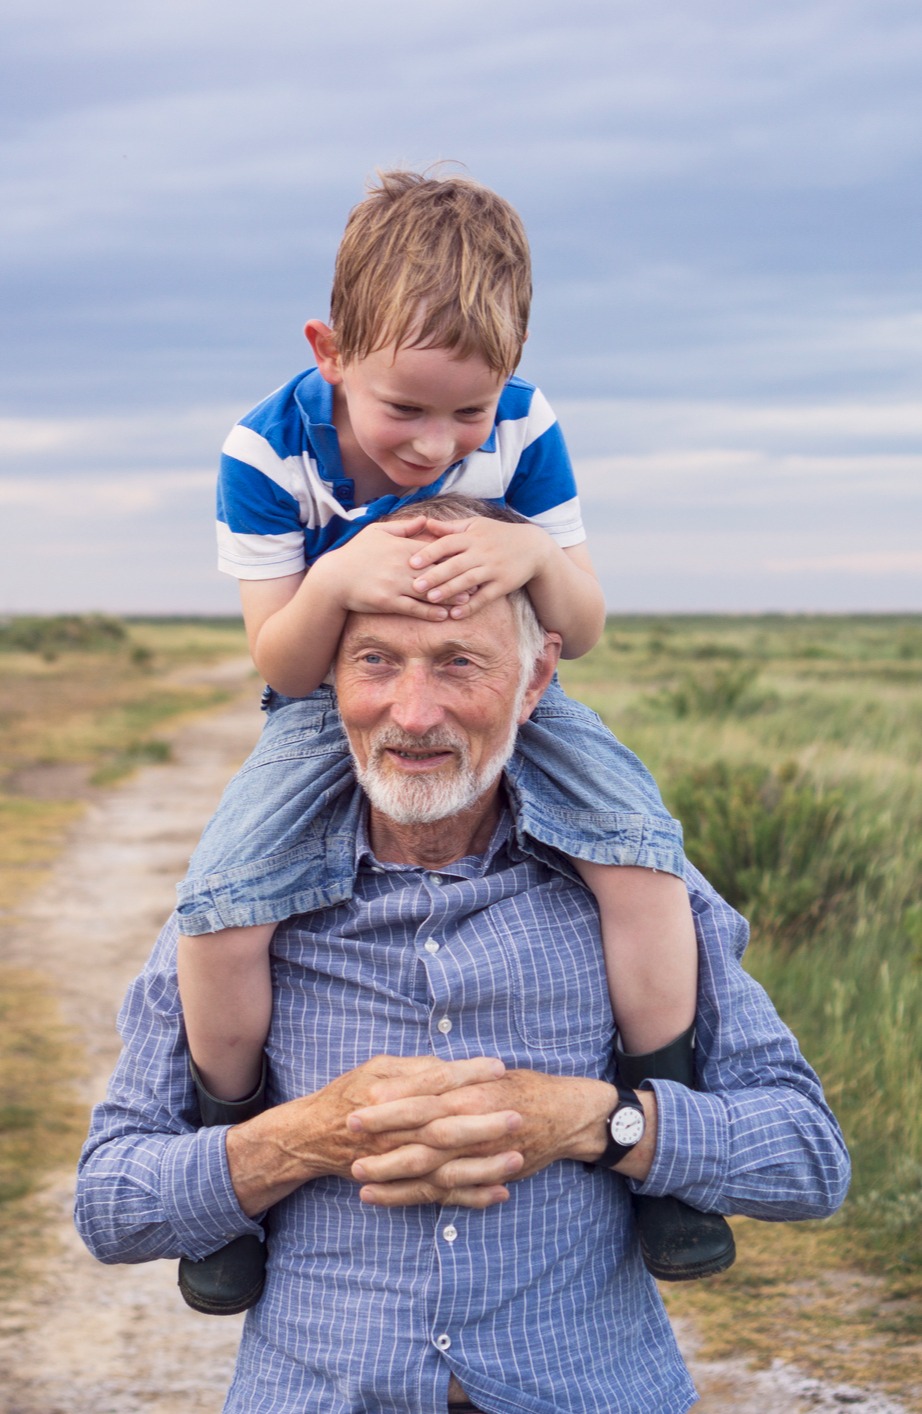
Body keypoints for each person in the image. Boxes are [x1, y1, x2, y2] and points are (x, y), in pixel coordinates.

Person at [76, 568, 850, 1413]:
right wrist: (301, 1138)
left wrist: (601, 1121)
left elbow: (809, 1157)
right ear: (328, 677)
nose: (412, 713)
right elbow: (111, 1202)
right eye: (375, 661)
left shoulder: (644, 894)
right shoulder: (235, 911)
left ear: (536, 680)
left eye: (459, 664)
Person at [175, 169, 711, 1313]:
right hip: (327, 702)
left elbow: (586, 623)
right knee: (222, 901)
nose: (436, 443)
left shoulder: (528, 425)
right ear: (329, 350)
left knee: (642, 853)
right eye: (404, 409)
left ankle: (666, 1125)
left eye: (467, 411)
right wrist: (338, 581)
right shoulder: (267, 453)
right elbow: (277, 658)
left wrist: (534, 562)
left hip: (516, 687)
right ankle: (232, 1157)